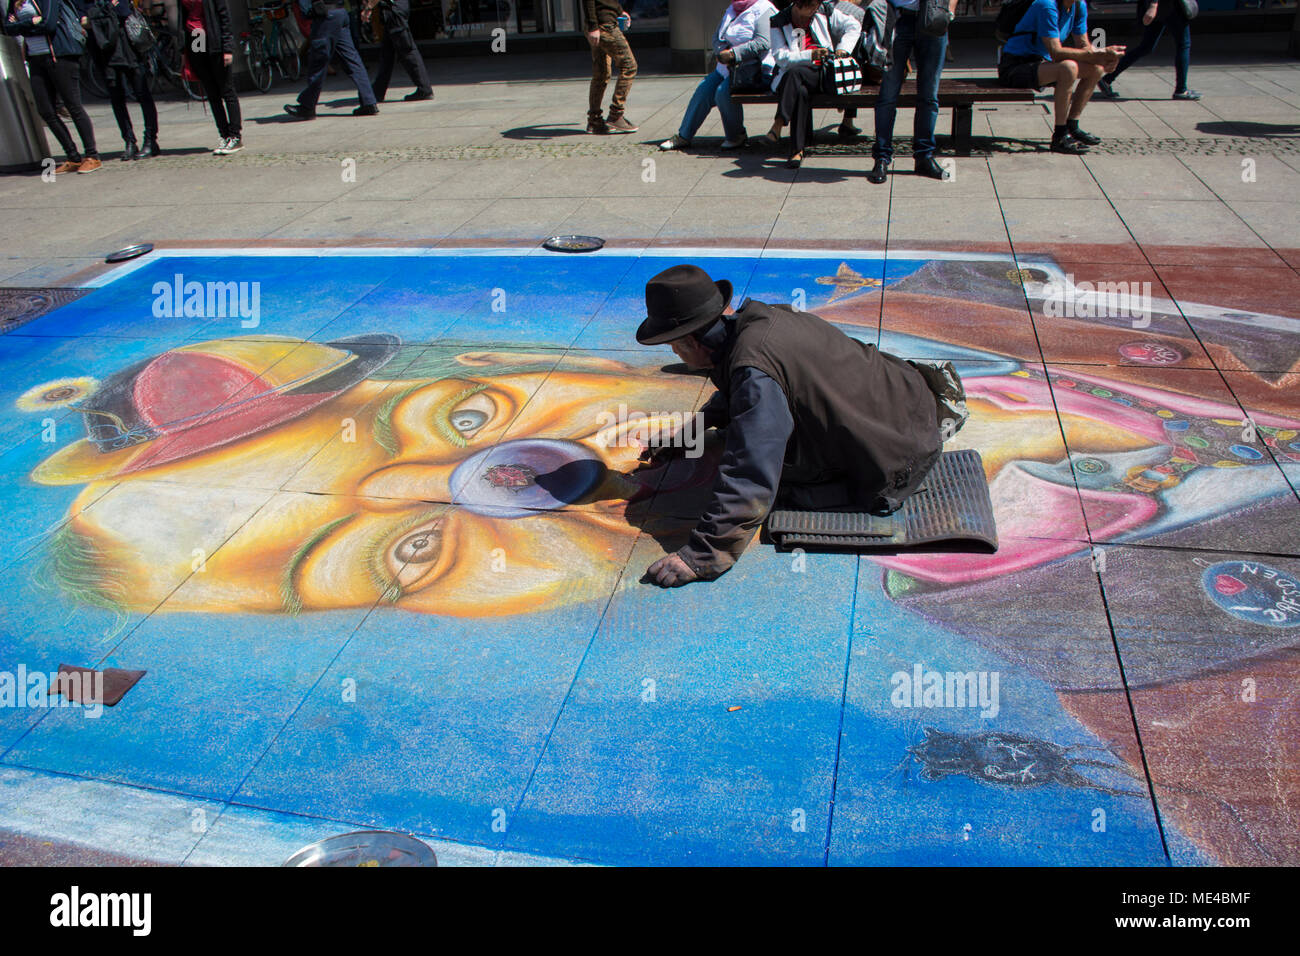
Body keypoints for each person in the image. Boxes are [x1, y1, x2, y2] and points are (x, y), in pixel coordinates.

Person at [635, 265, 947, 587]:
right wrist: (690, 435)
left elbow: (752, 466)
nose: (674, 352)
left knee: (772, 477)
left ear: (691, 340)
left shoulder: (753, 369)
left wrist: (703, 554)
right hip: (910, 401)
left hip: (896, 457)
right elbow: (741, 391)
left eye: (673, 344)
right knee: (749, 432)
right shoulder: (760, 321)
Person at [996, 0, 1125, 155]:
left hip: (1043, 64)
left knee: (1096, 69)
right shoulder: (1046, 5)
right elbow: (1056, 52)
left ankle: (1073, 125)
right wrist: (1099, 55)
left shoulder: (1078, 6)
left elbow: (1084, 46)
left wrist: (1104, 59)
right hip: (1014, 67)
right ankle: (1060, 135)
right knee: (1067, 68)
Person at [658, 0, 775, 152]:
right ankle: (684, 136)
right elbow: (717, 37)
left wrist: (733, 53)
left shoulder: (764, 8)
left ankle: (736, 135)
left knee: (722, 92)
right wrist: (721, 52)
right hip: (727, 68)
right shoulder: (732, 9)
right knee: (703, 90)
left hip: (754, 71)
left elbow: (763, 42)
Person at [4, 0, 101, 173]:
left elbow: (48, 25)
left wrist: (20, 26)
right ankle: (73, 156)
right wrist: (31, 22)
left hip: (60, 56)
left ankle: (92, 156)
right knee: (45, 110)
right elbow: (8, 28)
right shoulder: (16, 1)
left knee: (73, 106)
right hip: (35, 58)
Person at [868, 0, 959, 184]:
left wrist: (950, 10)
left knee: (929, 95)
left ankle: (924, 156)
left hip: (934, 14)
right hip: (899, 18)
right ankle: (882, 157)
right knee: (888, 94)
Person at [764, 0, 862, 168]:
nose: (814, 11)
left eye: (816, 6)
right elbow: (781, 57)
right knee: (799, 89)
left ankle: (779, 123)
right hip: (792, 77)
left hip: (821, 74)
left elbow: (854, 25)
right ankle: (797, 150)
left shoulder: (824, 10)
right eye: (811, 7)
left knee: (796, 75)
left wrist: (843, 48)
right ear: (798, 4)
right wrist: (810, 55)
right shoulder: (779, 21)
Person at [80, 0, 158, 160]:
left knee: (142, 94)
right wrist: (107, 9)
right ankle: (129, 141)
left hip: (128, 49)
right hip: (104, 51)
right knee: (116, 98)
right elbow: (82, 20)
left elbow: (123, 10)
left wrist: (97, 16)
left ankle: (151, 140)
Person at [285, 0, 378, 120]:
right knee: (352, 60)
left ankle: (307, 106)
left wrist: (308, 12)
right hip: (340, 12)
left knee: (318, 62)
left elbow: (306, 8)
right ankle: (369, 101)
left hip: (326, 16)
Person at [1098, 0, 1200, 101]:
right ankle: (1181, 90)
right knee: (1183, 45)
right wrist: (1153, 4)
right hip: (1171, 7)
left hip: (1159, 8)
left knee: (1146, 47)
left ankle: (1107, 79)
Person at [176, 0, 243, 153]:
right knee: (211, 92)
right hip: (195, 38)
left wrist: (227, 48)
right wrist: (183, 50)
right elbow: (182, 18)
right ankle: (224, 135)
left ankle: (235, 136)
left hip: (214, 40)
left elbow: (224, 17)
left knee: (226, 89)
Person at [361, 0, 432, 103]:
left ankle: (425, 89)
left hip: (394, 11)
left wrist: (368, 8)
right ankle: (377, 92)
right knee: (387, 53)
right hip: (394, 9)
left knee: (407, 51)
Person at [583, 0, 637, 134]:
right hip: (604, 26)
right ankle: (616, 115)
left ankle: (594, 121)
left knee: (601, 73)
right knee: (629, 66)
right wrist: (593, 26)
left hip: (602, 23)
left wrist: (619, 11)